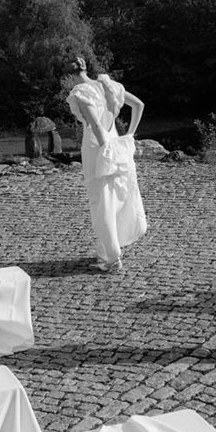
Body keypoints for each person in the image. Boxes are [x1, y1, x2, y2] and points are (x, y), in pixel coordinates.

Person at [65, 55, 147, 272]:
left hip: (97, 148)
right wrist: (129, 135)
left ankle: (113, 257)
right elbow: (139, 105)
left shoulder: (80, 92)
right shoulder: (106, 84)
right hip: (115, 141)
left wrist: (107, 152)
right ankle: (108, 249)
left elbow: (95, 127)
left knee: (100, 201)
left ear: (68, 76)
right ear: (85, 67)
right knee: (114, 196)